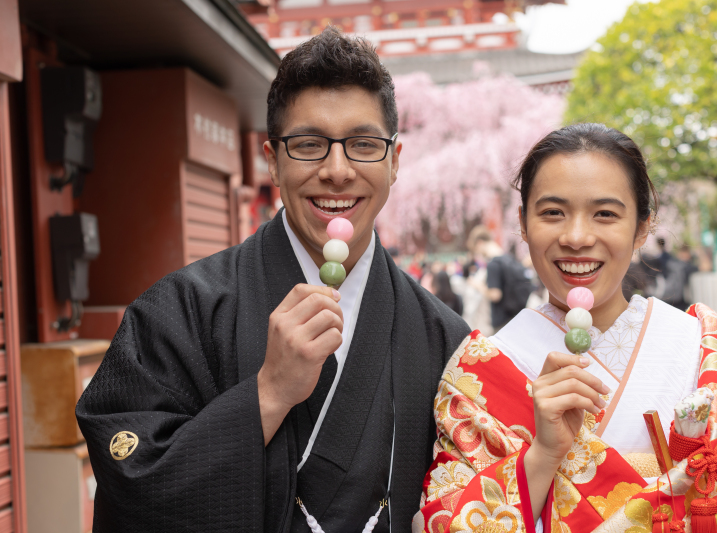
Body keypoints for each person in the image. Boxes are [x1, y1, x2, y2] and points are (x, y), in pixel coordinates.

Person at [76, 27, 470, 533]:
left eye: (363, 144)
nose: (337, 170)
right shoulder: (180, 312)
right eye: (308, 144)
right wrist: (267, 394)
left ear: (394, 162)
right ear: (272, 161)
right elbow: (131, 484)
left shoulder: (444, 340)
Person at [414, 123, 717, 532]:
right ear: (524, 225)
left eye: (605, 214)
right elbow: (447, 519)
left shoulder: (710, 349)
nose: (577, 237)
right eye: (552, 213)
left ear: (642, 227)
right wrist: (543, 455)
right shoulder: (479, 373)